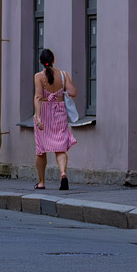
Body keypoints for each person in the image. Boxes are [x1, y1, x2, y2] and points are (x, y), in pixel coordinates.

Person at [33, 48, 78, 190]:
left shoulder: (38, 77)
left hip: (45, 112)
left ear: (41, 61)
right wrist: (63, 87)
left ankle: (41, 182)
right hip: (59, 112)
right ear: (54, 60)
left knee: (41, 149)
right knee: (60, 148)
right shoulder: (63, 75)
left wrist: (38, 117)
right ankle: (63, 173)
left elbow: (38, 97)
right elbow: (73, 93)